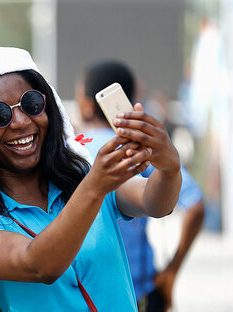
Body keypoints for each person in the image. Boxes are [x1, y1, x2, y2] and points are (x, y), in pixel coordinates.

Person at [0, 45, 182, 312]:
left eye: (31, 104)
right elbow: (39, 265)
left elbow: (155, 202)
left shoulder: (82, 175)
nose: (20, 122)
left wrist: (168, 168)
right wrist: (93, 188)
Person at [75, 60, 205, 312]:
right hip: (141, 293)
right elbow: (196, 205)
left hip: (87, 295)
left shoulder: (71, 150)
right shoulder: (139, 147)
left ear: (87, 105)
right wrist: (171, 271)